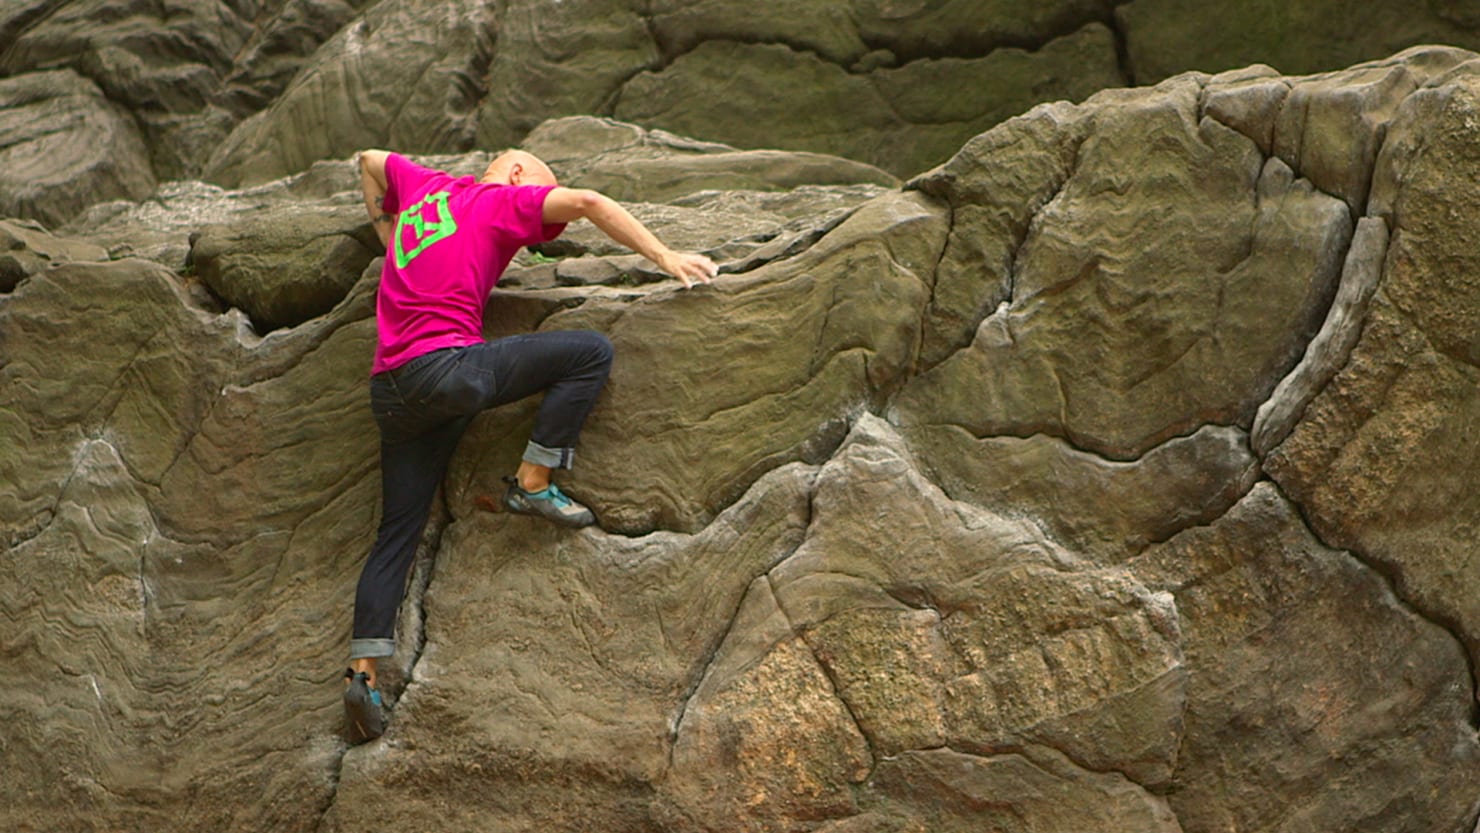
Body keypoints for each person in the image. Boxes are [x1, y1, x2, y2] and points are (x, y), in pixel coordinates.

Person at [342, 147, 718, 742]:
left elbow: (368, 158)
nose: (543, 234)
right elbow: (591, 203)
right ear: (518, 175)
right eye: (546, 197)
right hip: (448, 371)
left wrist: (385, 232)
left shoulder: (423, 185)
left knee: (397, 532)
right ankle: (533, 481)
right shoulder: (500, 200)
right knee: (590, 352)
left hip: (391, 392)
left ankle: (361, 675)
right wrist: (665, 255)